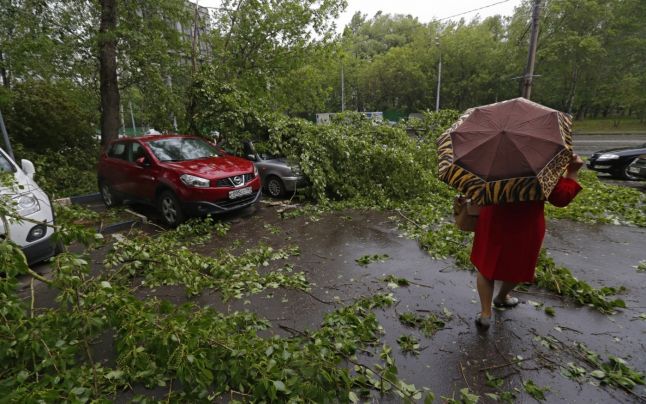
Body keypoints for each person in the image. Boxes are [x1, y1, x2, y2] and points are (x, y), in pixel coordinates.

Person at [471, 154, 584, 330]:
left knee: (486, 266)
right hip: (526, 225)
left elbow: (474, 186)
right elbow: (561, 198)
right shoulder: (543, 160)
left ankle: (485, 314)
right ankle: (502, 297)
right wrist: (572, 172)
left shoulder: (493, 156)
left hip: (494, 219)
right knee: (519, 266)